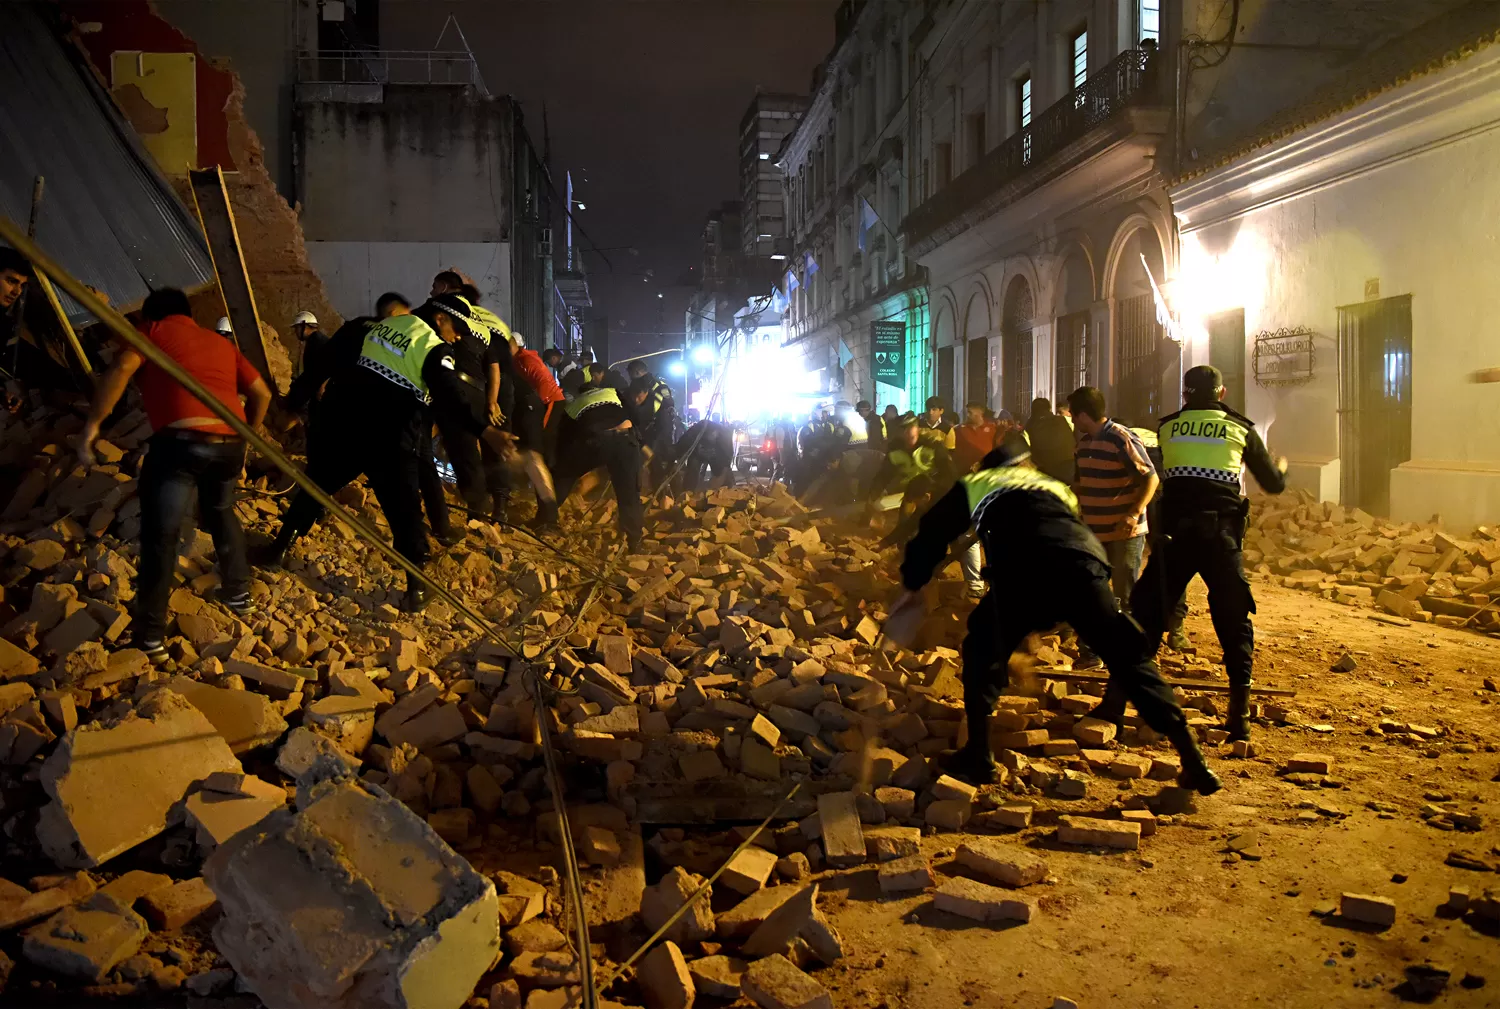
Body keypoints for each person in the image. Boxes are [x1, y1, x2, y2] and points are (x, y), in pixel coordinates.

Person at [885, 431, 1221, 794]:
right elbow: (1062, 531)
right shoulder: (1053, 486)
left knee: (982, 649)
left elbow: (933, 531)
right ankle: (1192, 758)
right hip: (1084, 571)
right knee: (1129, 658)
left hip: (1022, 573)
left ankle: (979, 755)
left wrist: (914, 579)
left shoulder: (976, 483)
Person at [256, 292, 511, 611]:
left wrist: (293, 403)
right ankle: (416, 590)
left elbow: (326, 362)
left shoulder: (375, 326)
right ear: (441, 319)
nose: (458, 337)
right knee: (405, 513)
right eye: (457, 328)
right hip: (392, 440)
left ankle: (278, 550)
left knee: (316, 487)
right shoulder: (433, 347)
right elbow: (450, 397)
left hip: (349, 427)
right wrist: (485, 430)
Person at [75, 288, 272, 663]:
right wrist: (247, 438)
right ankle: (239, 595)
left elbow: (122, 367)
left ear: (151, 318)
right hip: (229, 444)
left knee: (161, 538)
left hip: (180, 445)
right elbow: (261, 393)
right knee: (220, 510)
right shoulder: (218, 343)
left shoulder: (153, 333)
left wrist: (92, 426)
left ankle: (150, 638)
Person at [1129, 365, 1288, 743]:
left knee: (1148, 611)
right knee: (1233, 619)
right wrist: (1280, 467)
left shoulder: (1167, 427)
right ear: (1221, 393)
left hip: (1175, 537)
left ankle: (1124, 703)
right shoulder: (1240, 428)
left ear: (1186, 395)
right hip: (1220, 537)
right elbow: (1272, 484)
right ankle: (1239, 714)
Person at [542, 385, 645, 550]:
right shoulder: (613, 392)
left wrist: (560, 466)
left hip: (594, 441)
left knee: (563, 476)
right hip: (625, 439)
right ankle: (635, 542)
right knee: (629, 492)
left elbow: (563, 439)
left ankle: (545, 521)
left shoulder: (573, 405)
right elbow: (636, 417)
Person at [670, 418, 735, 491]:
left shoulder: (724, 440)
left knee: (721, 477)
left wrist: (721, 477)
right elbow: (681, 446)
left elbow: (726, 462)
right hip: (697, 453)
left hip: (715, 455)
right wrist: (678, 462)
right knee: (692, 473)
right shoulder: (693, 434)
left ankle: (726, 491)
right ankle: (688, 493)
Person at [1024, 397, 1076, 484]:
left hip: (1044, 473)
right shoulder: (1064, 420)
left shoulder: (1029, 425)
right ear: (1049, 408)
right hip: (1067, 470)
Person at [952, 402, 999, 474]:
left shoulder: (993, 429)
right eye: (967, 412)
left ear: (980, 412)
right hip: (964, 473)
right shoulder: (958, 429)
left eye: (970, 413)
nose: (967, 415)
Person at [290, 311, 325, 377]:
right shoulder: (315, 340)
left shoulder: (316, 343)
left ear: (304, 326)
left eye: (297, 328)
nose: (295, 332)